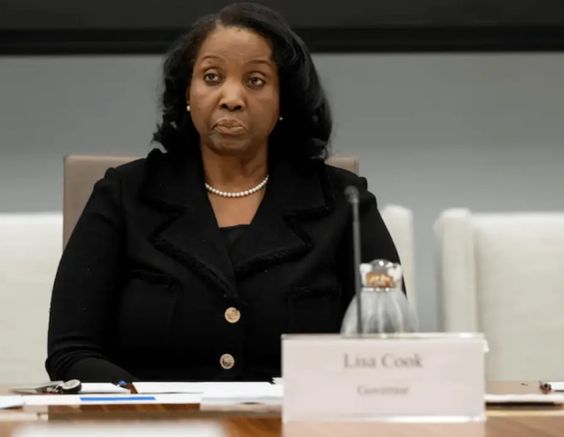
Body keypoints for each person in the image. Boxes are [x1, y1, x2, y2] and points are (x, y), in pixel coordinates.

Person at [46, 2, 400, 383]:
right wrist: (140, 404)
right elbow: (72, 351)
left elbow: (386, 347)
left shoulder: (345, 203)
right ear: (188, 92)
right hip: (155, 416)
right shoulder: (124, 196)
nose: (231, 97)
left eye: (255, 81)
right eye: (212, 77)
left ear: (283, 99)